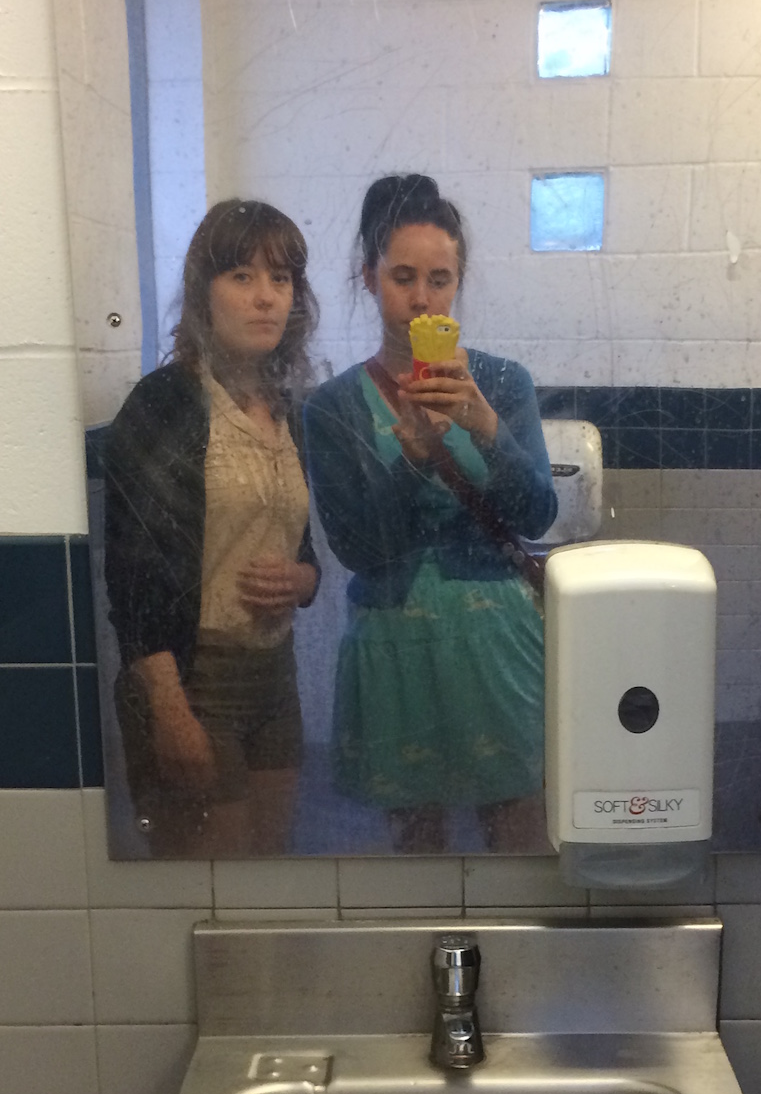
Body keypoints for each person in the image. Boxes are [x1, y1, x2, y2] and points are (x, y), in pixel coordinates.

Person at [304, 173, 557, 853]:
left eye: (439, 280)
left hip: (498, 643)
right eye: (403, 277)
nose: (421, 298)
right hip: (394, 649)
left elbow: (537, 514)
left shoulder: (502, 383)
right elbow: (357, 548)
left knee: (519, 833)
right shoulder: (332, 408)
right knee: (416, 852)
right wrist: (412, 458)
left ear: (458, 283)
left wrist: (486, 428)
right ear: (369, 277)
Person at [104, 199, 320, 855]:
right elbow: (132, 577)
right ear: (204, 292)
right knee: (210, 883)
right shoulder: (164, 405)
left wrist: (303, 580)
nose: (265, 297)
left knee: (270, 872)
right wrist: (170, 711)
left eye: (280, 278)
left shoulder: (286, 410)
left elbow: (303, 548)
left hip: (274, 679)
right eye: (242, 276)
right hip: (192, 679)